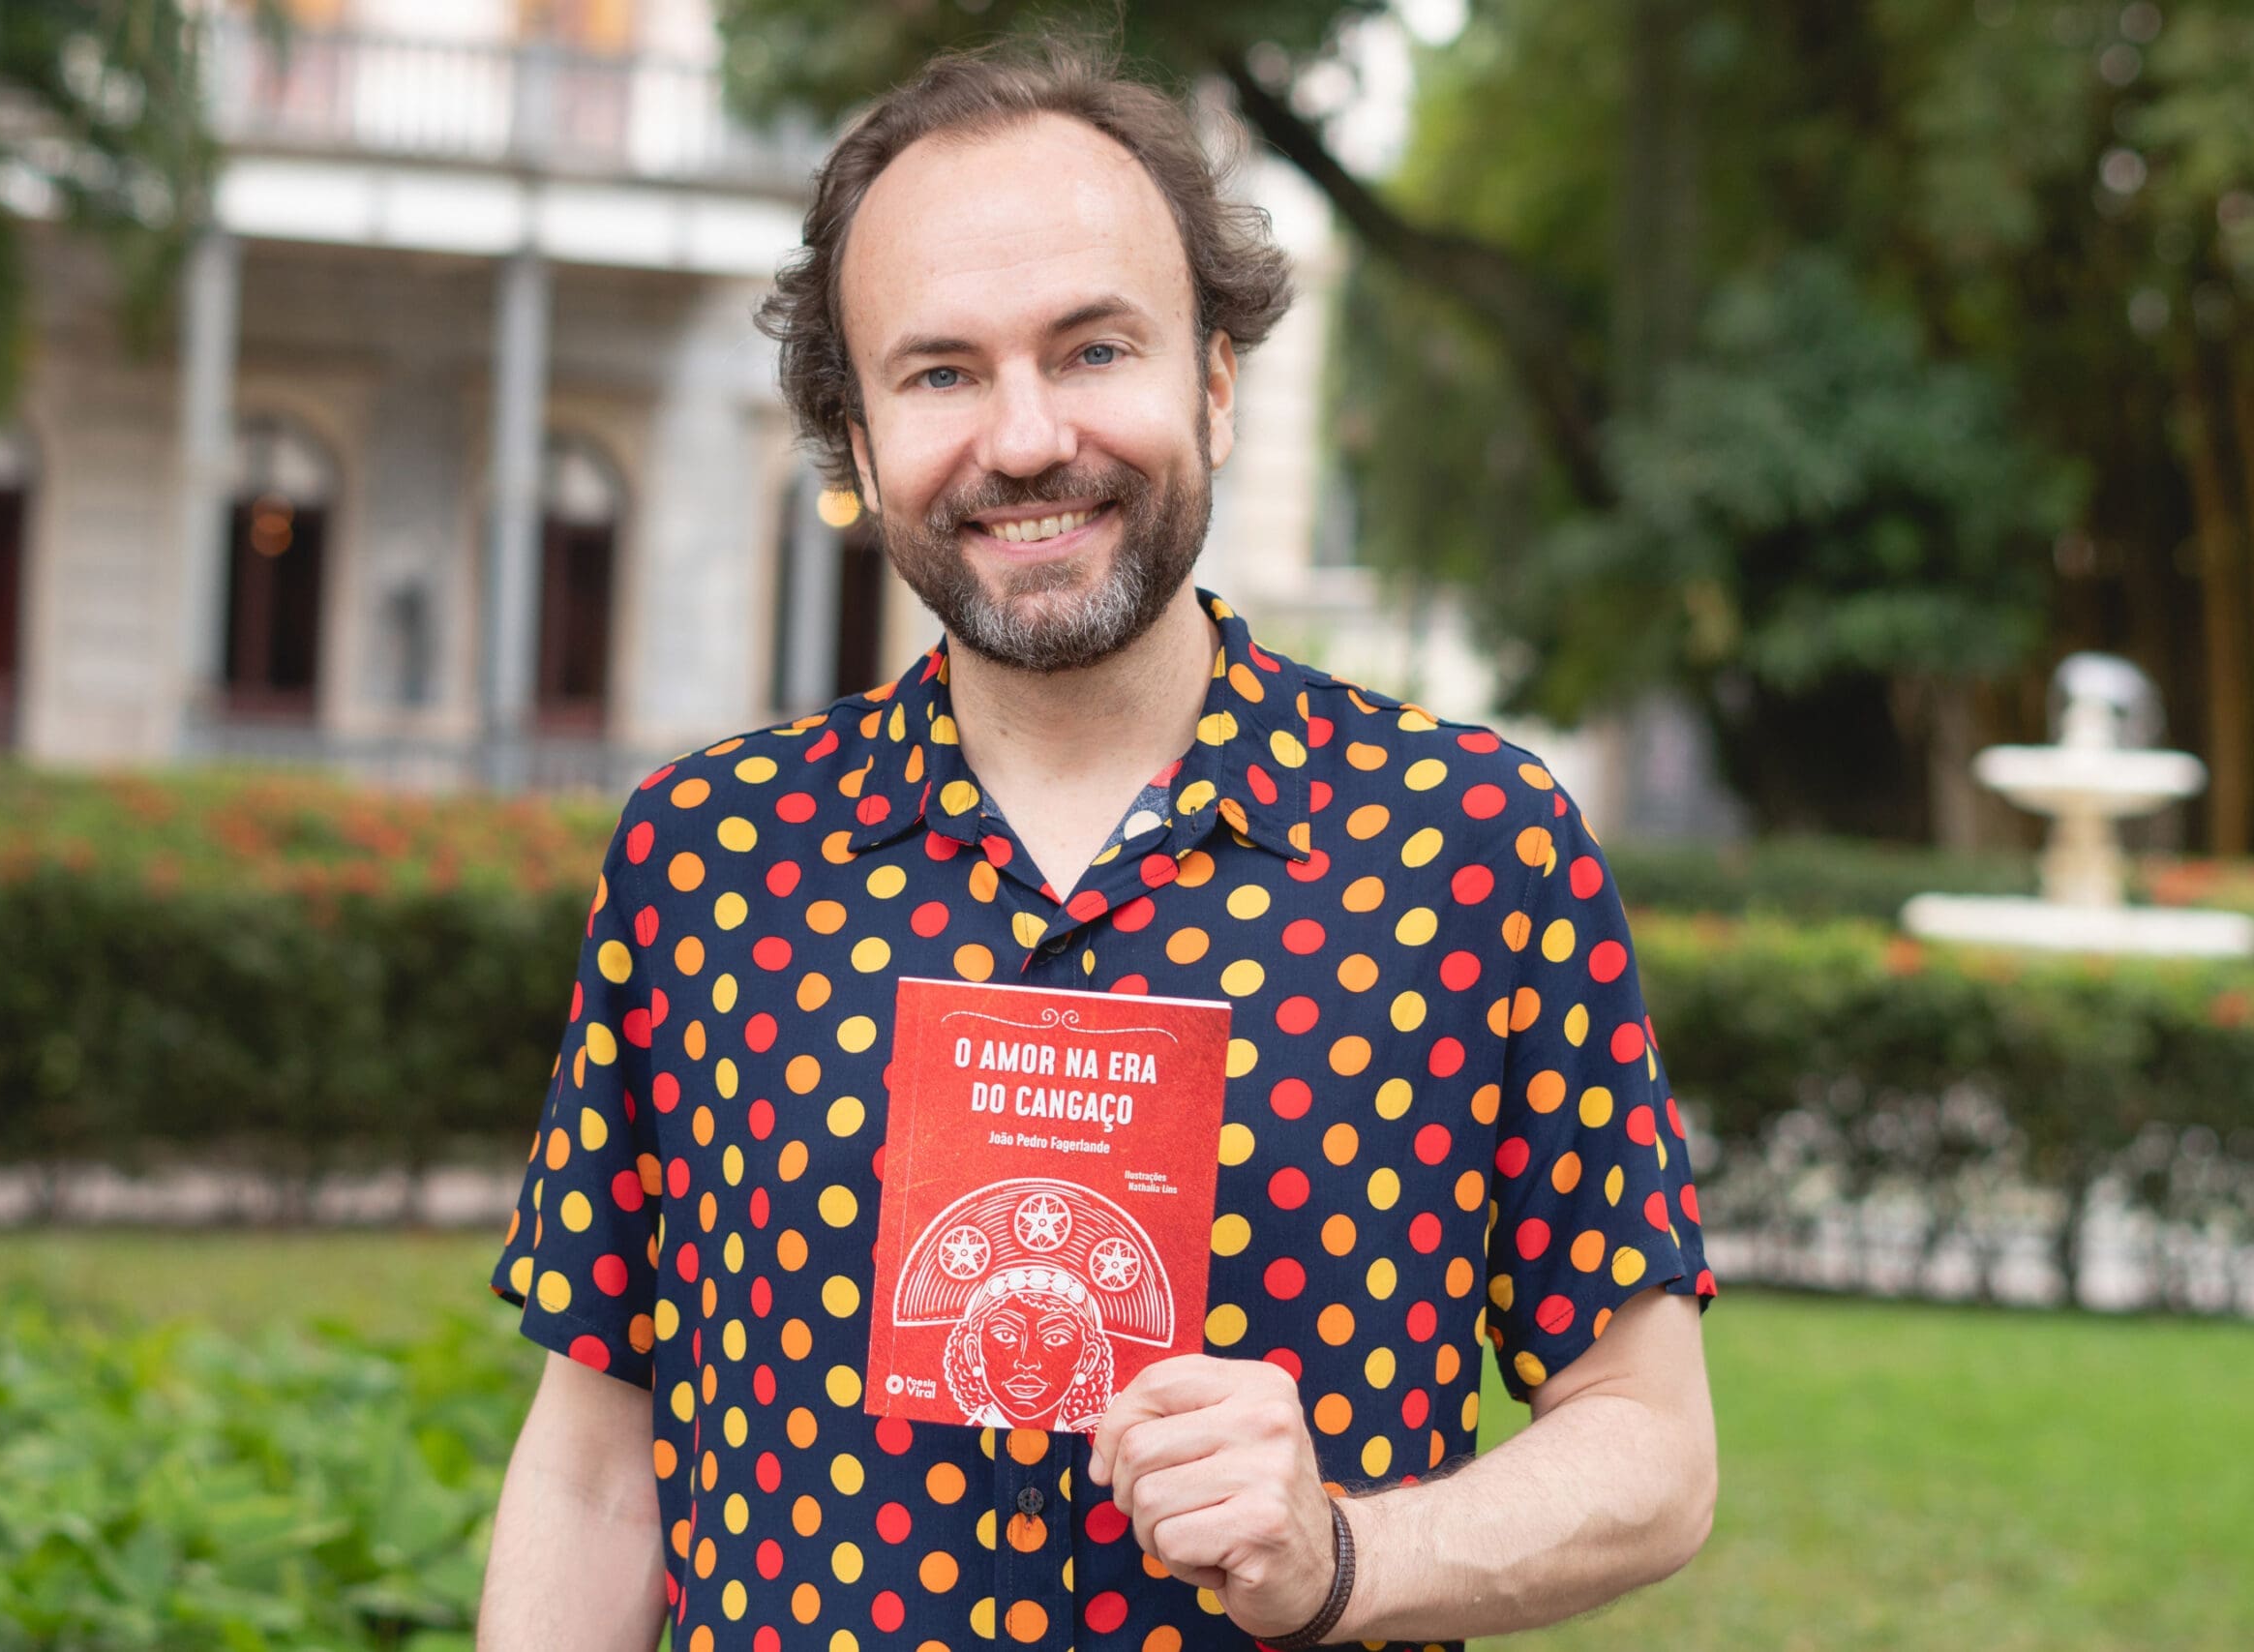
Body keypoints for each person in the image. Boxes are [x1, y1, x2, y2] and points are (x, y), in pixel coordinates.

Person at [476, 39, 1719, 1652]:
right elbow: (594, 1470)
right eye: (938, 374)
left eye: (1092, 349)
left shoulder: (1473, 850)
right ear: (856, 438)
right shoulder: (705, 860)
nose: (1023, 437)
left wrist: (1344, 1554)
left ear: (1213, 375)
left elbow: (1653, 1448)